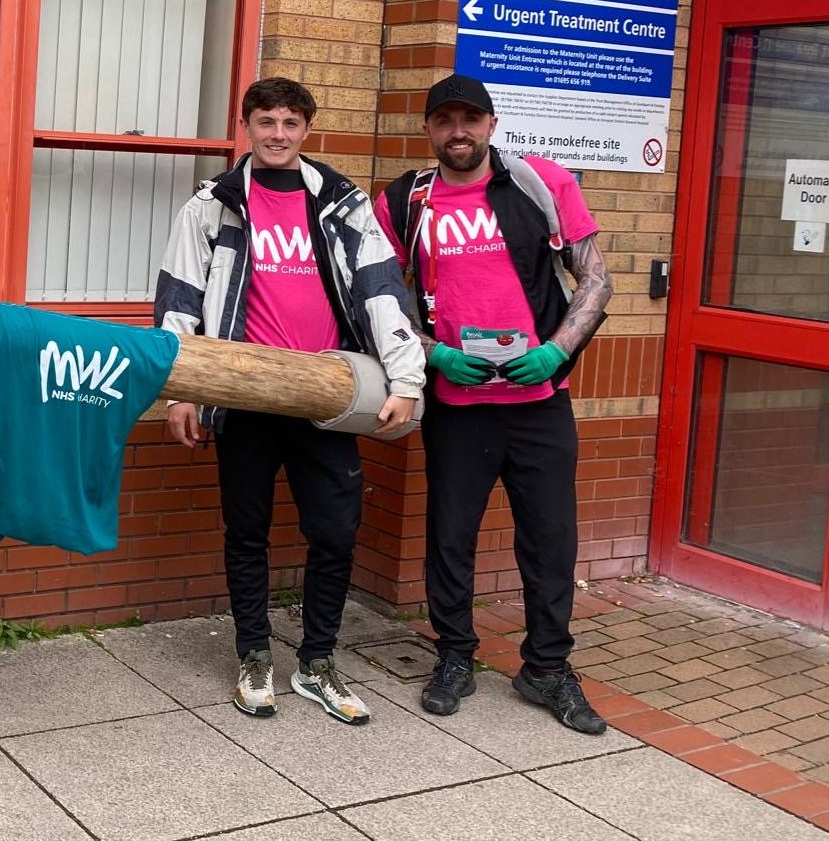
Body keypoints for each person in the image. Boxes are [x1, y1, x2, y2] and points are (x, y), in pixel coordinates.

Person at [155, 77, 424, 724]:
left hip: (325, 396)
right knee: (246, 532)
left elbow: (382, 288)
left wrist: (406, 379)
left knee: (335, 532)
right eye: (266, 121)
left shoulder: (341, 204)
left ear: (307, 129)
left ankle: (317, 663)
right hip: (243, 394)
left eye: (290, 123)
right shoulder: (212, 206)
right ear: (247, 125)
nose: (278, 133)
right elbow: (178, 300)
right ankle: (254, 654)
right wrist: (179, 389)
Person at [374, 73, 613, 735]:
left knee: (551, 539)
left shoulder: (541, 184)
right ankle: (454, 657)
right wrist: (432, 353)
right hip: (458, 401)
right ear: (428, 130)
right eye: (445, 120)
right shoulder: (404, 201)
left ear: (492, 123)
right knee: (450, 537)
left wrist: (557, 349)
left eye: (470, 119)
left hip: (539, 399)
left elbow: (595, 278)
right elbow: (380, 301)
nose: (459, 131)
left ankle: (546, 668)